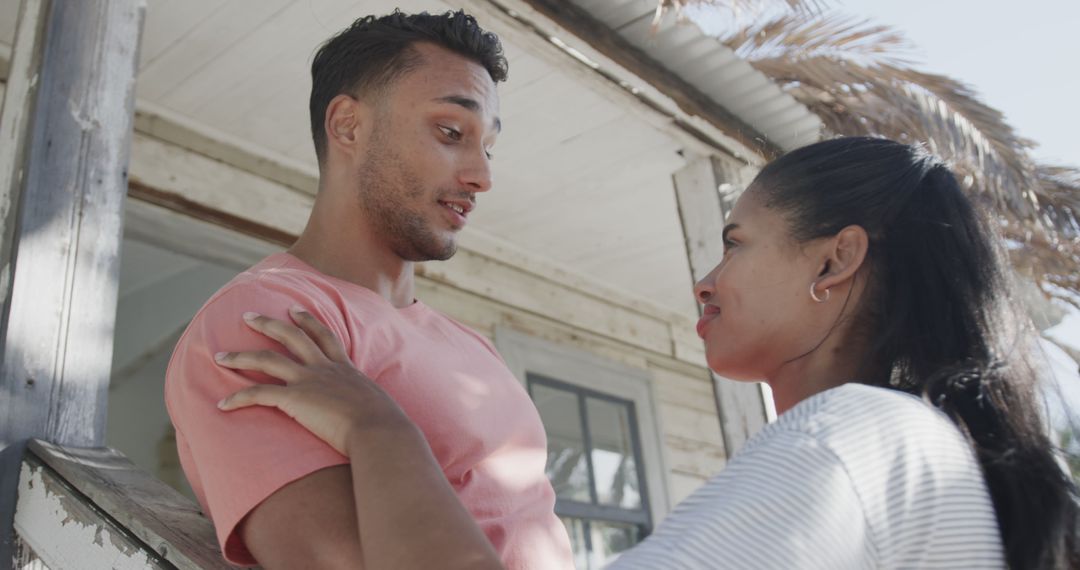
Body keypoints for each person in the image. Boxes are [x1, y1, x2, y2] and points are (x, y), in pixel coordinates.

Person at [216, 137, 1080, 569]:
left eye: (736, 243)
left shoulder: (856, 439)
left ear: (835, 258)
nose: (705, 280)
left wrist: (377, 424)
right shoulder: (924, 454)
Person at [164, 10, 574, 569]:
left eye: (488, 146)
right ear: (349, 126)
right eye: (451, 132)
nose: (483, 175)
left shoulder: (472, 346)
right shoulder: (266, 317)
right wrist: (380, 427)